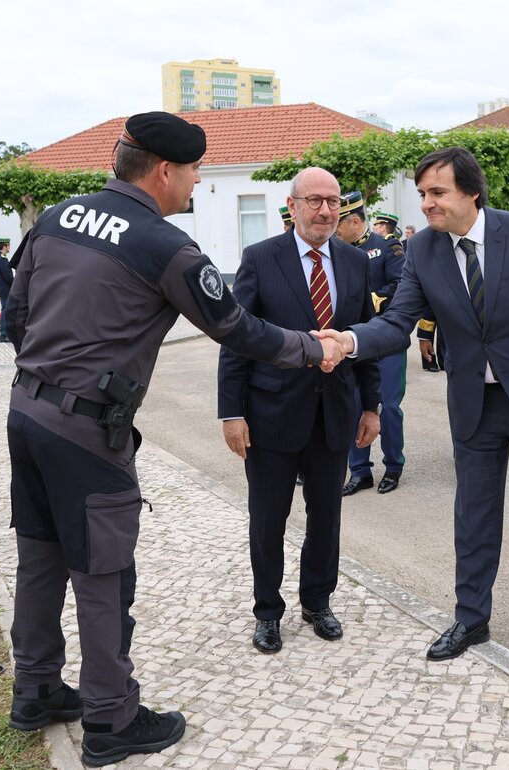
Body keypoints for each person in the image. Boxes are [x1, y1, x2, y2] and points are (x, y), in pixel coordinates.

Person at [2, 112, 341, 767]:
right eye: (193, 171)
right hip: (85, 432)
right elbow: (238, 329)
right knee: (103, 573)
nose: (196, 183)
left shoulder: (57, 217)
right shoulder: (165, 246)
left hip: (26, 412)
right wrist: (311, 347)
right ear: (163, 171)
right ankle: (111, 718)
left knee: (39, 557)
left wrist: (52, 376)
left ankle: (36, 690)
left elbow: (16, 312)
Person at [319, 147, 509, 660]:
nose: (427, 203)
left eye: (437, 192)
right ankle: (471, 619)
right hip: (474, 405)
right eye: (422, 193)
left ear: (471, 192)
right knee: (474, 516)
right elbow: (397, 321)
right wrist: (349, 340)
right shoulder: (423, 249)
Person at [218, 173, 381, 655]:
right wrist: (231, 413)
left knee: (326, 518)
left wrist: (371, 406)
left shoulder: (354, 261)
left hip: (334, 414)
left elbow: (366, 338)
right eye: (314, 201)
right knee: (268, 520)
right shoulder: (260, 258)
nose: (326, 211)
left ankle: (317, 602)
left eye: (333, 202)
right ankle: (267, 612)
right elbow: (237, 338)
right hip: (271, 415)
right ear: (292, 206)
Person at [334, 192, 407, 496]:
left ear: (354, 221)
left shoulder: (387, 246)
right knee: (353, 407)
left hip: (385, 341)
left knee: (387, 407)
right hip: (352, 342)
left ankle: (393, 465)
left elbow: (402, 284)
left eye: (339, 224)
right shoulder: (336, 250)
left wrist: (376, 298)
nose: (334, 230)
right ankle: (360, 471)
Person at [0, 237, 14, 342]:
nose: (9, 247)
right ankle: (4, 334)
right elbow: (8, 277)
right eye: (8, 245)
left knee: (5, 310)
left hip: (2, 288)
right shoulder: (2, 260)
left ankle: (5, 333)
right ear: (4, 247)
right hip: (5, 289)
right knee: (5, 311)